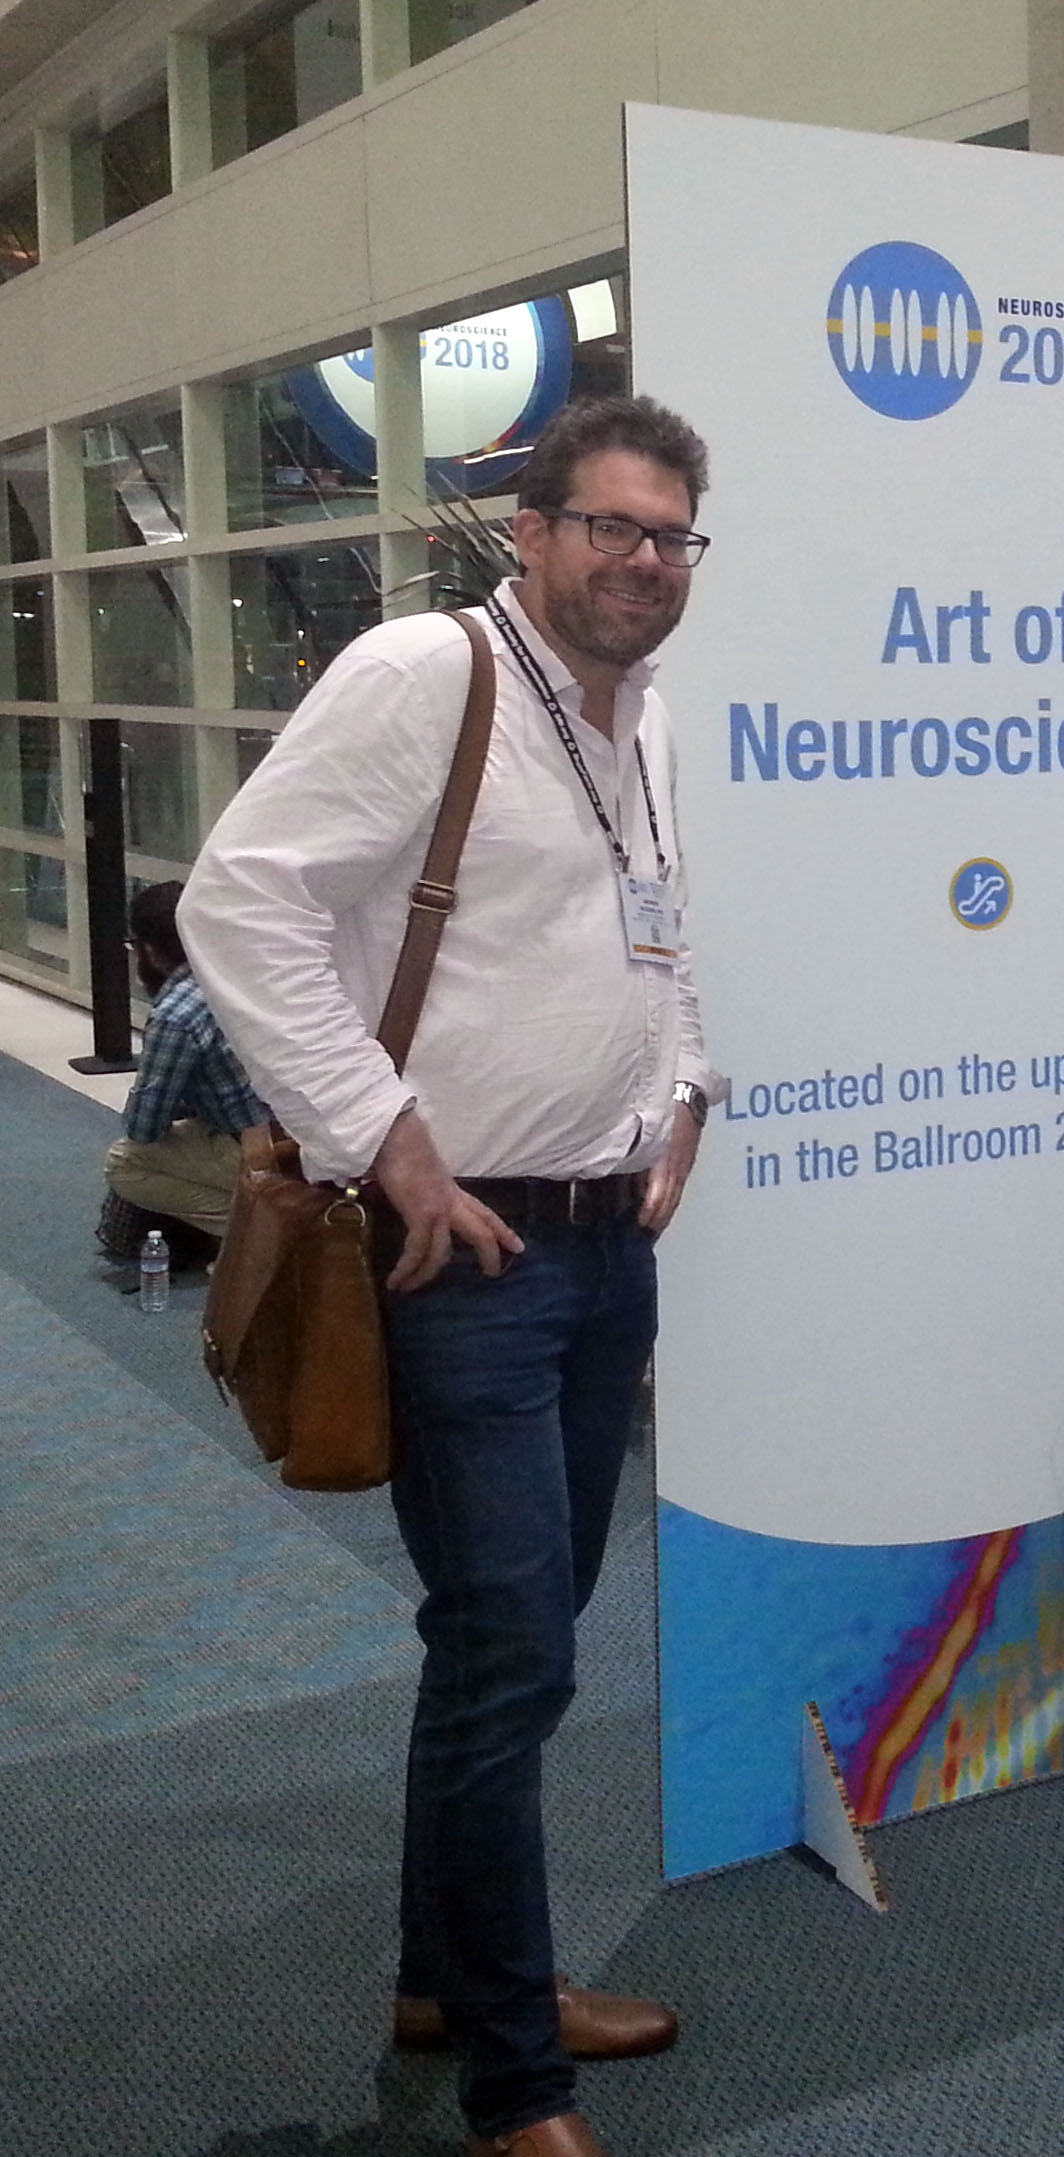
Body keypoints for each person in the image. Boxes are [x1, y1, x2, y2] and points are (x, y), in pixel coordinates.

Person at [181, 395, 721, 2157]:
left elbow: (657, 932)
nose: (643, 560)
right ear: (534, 531)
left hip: (600, 1243)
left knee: (513, 1643)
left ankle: (448, 1977)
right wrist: (383, 1135)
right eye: (611, 526)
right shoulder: (432, 673)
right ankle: (512, 2080)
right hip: (458, 1244)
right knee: (511, 1652)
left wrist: (686, 1085)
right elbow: (240, 902)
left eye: (671, 536)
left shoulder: (644, 716)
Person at [97, 878, 265, 1264]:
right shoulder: (246, 971)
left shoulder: (177, 1014)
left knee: (124, 1161)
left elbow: (143, 1128)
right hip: (299, 1135)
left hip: (254, 1146)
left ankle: (253, 1229)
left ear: (149, 950)